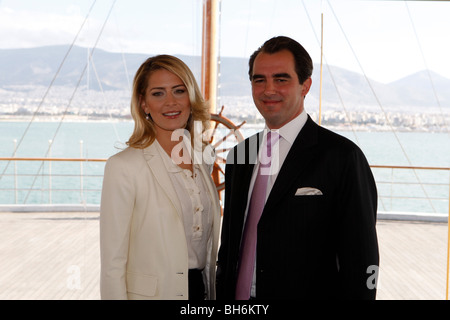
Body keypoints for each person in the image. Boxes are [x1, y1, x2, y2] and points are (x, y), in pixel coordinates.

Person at [216, 36, 379, 300]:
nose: (269, 90)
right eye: (259, 80)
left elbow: (361, 258)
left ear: (305, 86)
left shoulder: (343, 157)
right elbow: (231, 244)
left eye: (281, 79)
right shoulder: (240, 155)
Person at [100, 55, 221, 300]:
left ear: (190, 97)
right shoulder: (123, 167)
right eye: (158, 93)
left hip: (202, 292)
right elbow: (113, 263)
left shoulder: (204, 158)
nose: (171, 102)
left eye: (179, 91)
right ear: (143, 103)